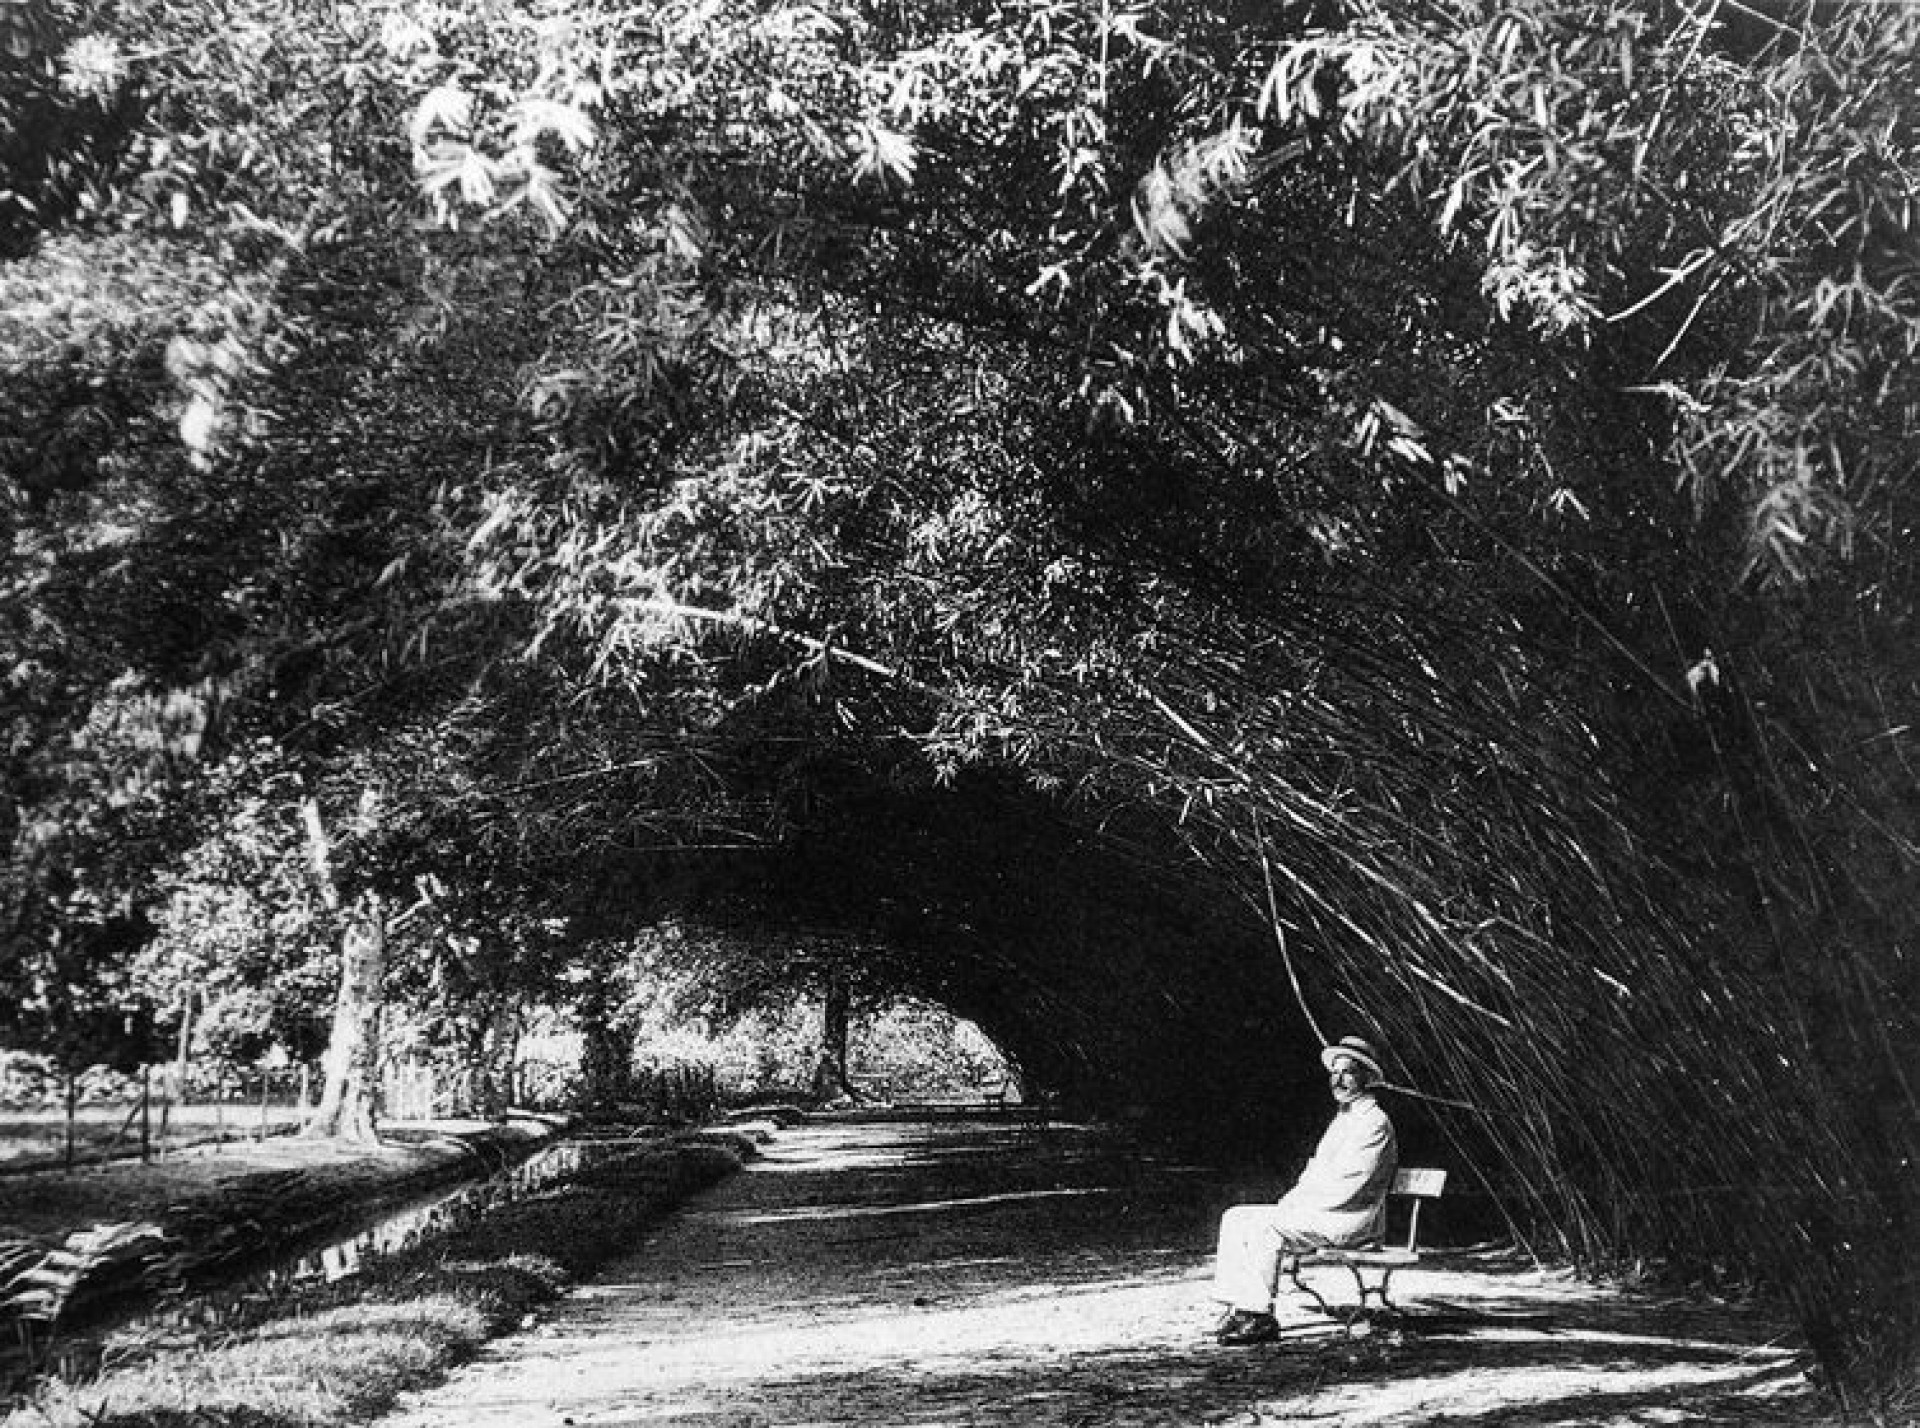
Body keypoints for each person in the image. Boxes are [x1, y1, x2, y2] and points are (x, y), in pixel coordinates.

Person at [1209, 1035, 1398, 1345]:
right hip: (1325, 1213)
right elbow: (1314, 1174)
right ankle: (1238, 1308)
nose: (1338, 1080)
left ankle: (1259, 1316)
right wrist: (1292, 1202)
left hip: (1351, 1219)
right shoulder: (1343, 1119)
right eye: (1334, 1073)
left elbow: (1350, 1184)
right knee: (1236, 1216)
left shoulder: (1373, 1122)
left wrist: (1297, 1208)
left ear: (1366, 1077)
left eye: (1347, 1072)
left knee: (1270, 1226)